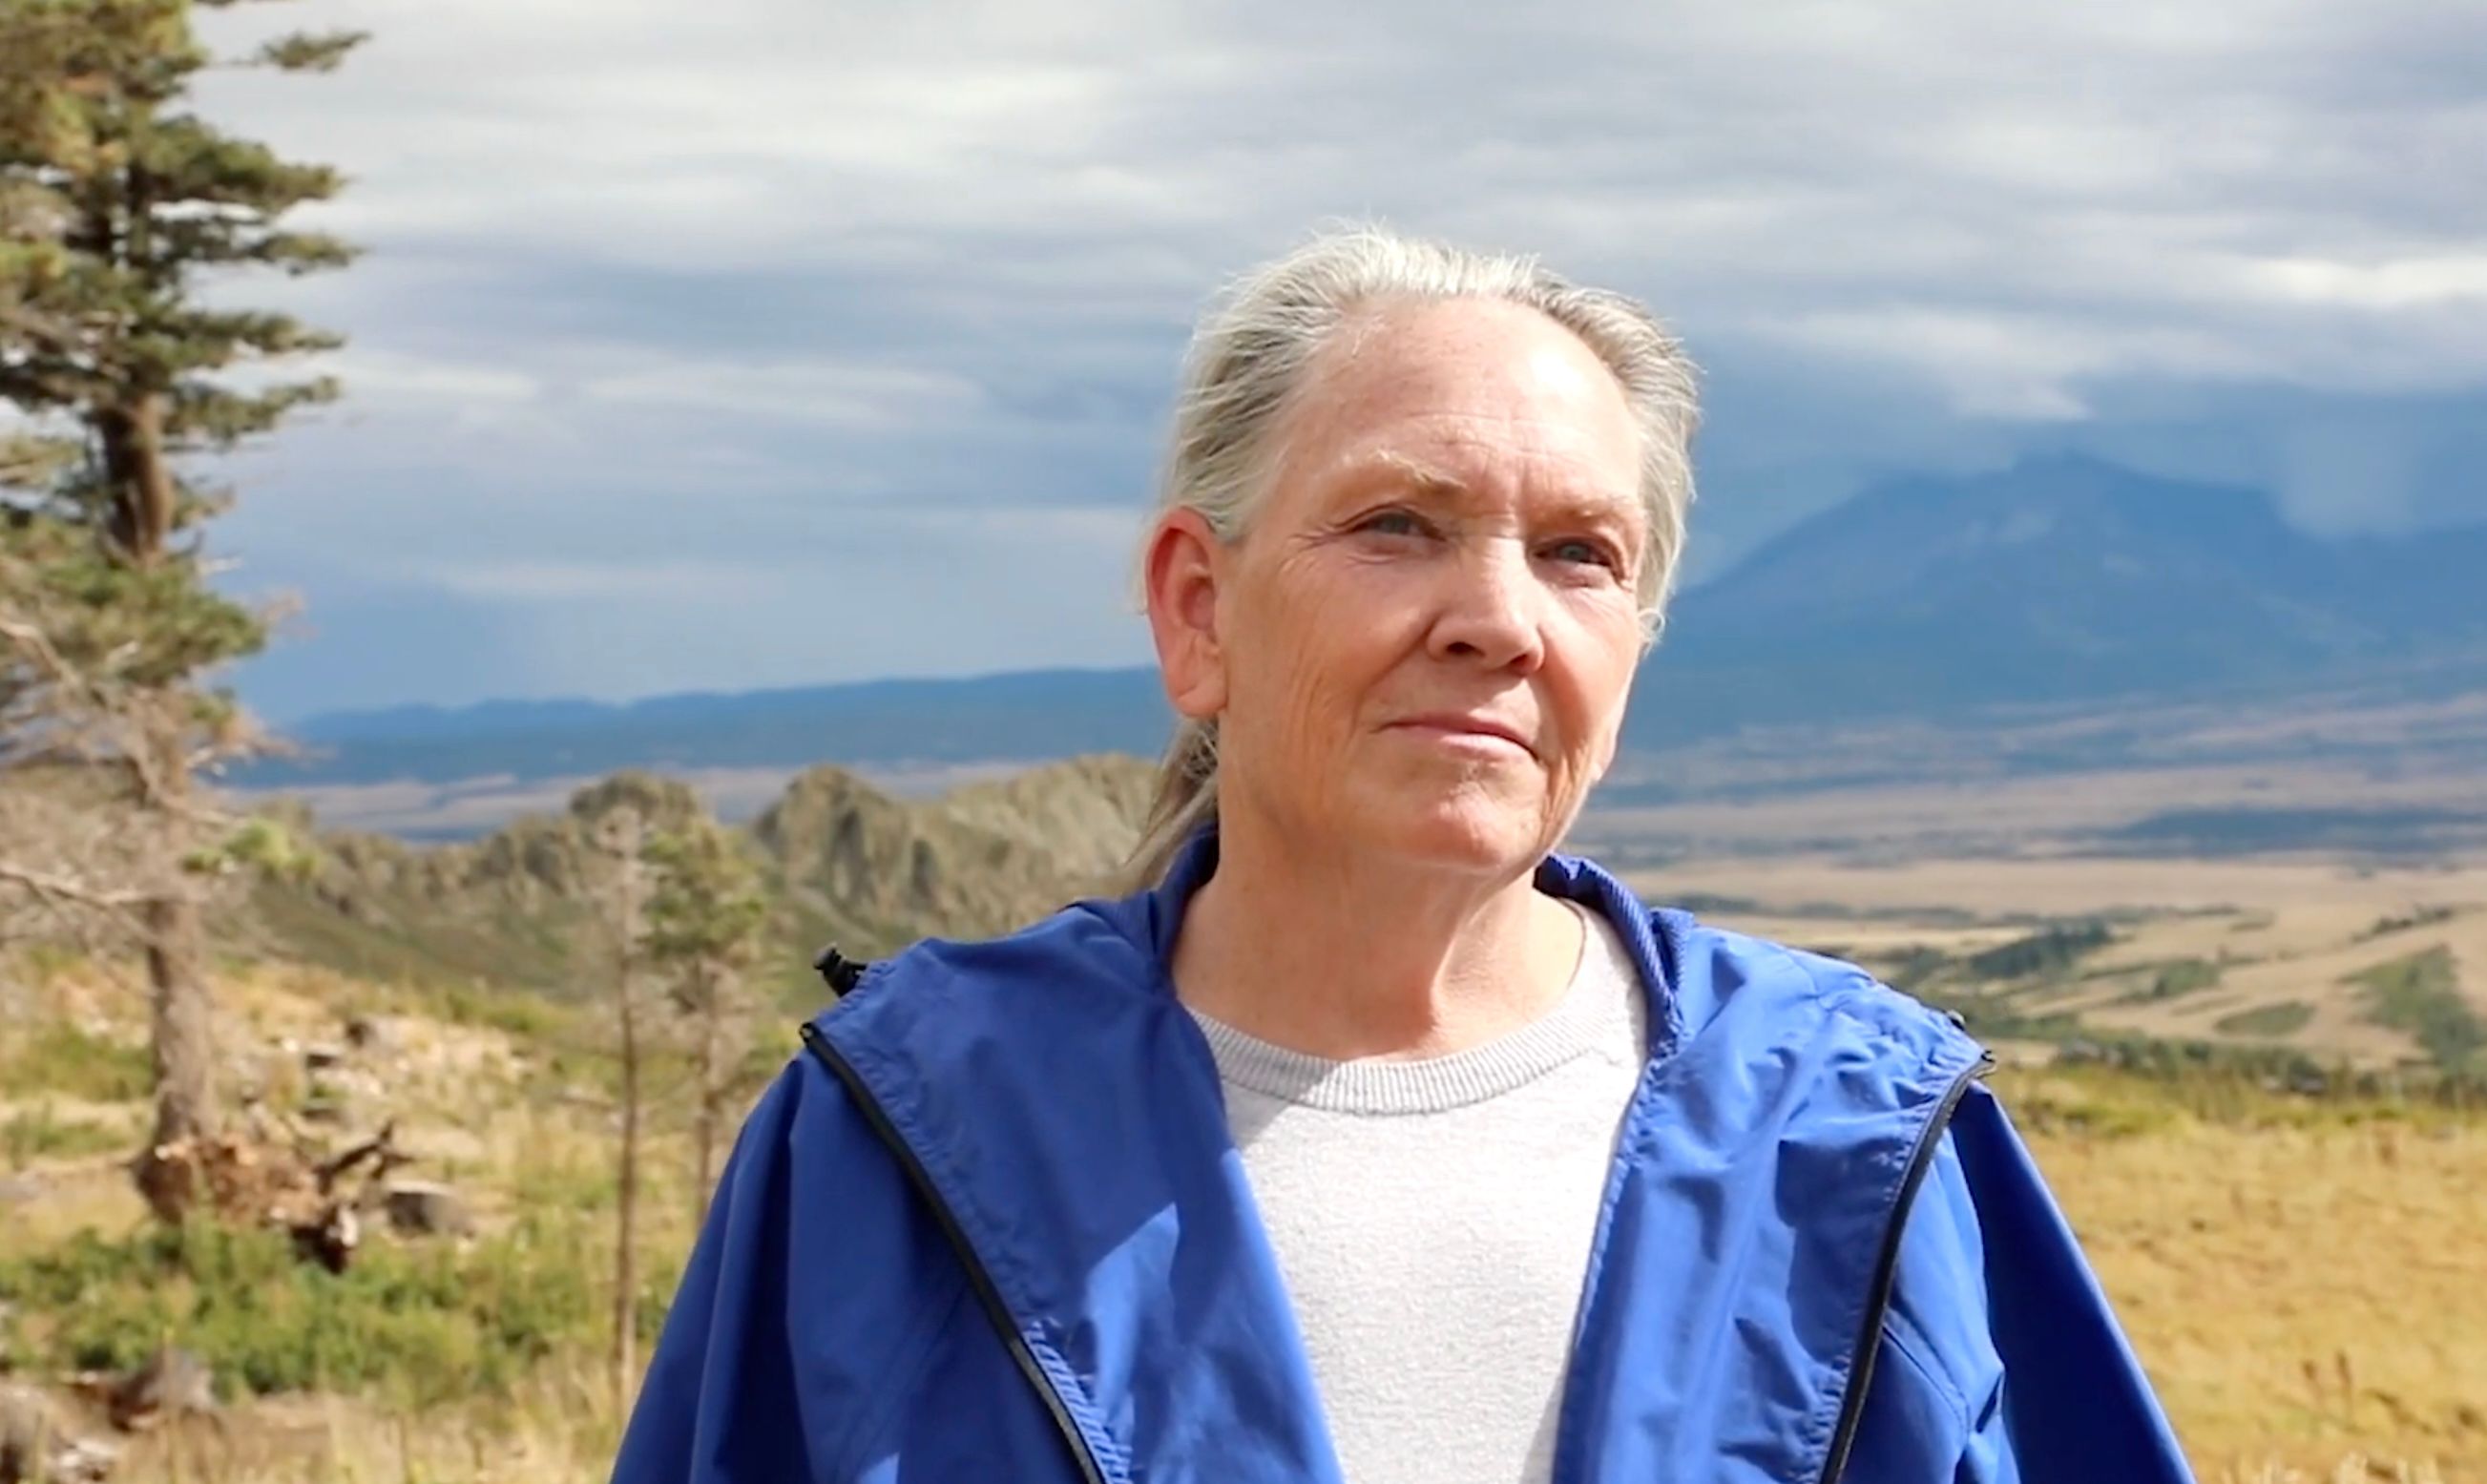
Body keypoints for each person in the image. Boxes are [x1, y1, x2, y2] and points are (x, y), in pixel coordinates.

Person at [612, 226, 2194, 1483]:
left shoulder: (1854, 1133)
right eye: (1396, 526)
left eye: (1581, 553)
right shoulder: (906, 1135)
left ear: (1633, 642)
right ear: (1197, 608)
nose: (1498, 620)